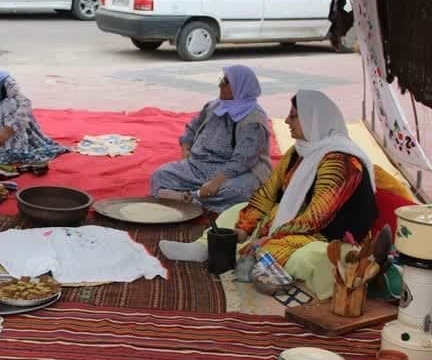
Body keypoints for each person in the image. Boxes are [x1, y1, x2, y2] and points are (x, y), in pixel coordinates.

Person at [160, 90, 378, 287]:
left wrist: (270, 237)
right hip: (292, 221)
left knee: (308, 257)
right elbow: (267, 192)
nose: (286, 121)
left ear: (314, 119)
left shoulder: (341, 162)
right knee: (237, 211)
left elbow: (315, 218)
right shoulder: (299, 151)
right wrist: (245, 228)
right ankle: (205, 247)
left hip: (326, 235)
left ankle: (234, 254)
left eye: (293, 116)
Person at [150, 65, 272, 212]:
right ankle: (193, 198)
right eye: (222, 80)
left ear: (240, 87)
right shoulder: (214, 106)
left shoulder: (253, 120)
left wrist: (216, 182)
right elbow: (193, 126)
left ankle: (190, 197)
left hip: (235, 171)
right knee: (160, 175)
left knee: (236, 191)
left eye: (225, 82)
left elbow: (243, 160)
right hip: (201, 165)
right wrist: (186, 148)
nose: (220, 84)